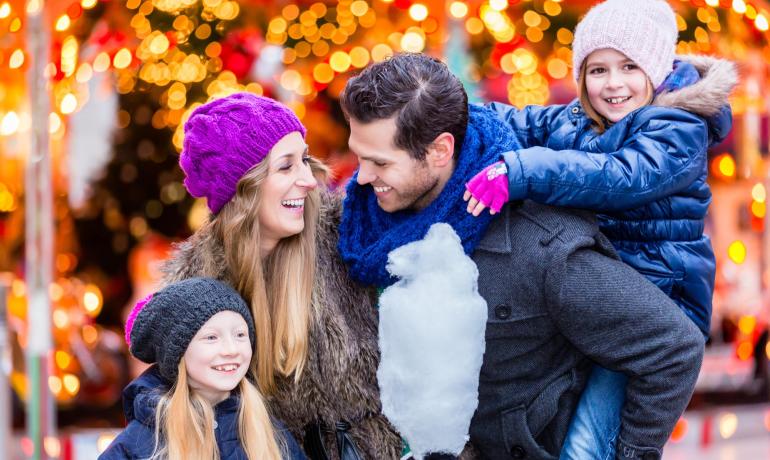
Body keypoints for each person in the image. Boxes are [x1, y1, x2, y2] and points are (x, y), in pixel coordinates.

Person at [337, 52, 704, 460]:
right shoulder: (356, 228)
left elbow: (675, 346)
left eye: (380, 162)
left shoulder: (544, 247)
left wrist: (631, 452)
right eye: (359, 156)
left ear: (440, 150)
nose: (362, 177)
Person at [462, 0, 736, 457]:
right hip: (594, 296)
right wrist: (452, 110)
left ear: (655, 69)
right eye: (598, 70)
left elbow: (620, 176)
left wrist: (522, 172)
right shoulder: (578, 119)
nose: (613, 84)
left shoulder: (677, 128)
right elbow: (521, 120)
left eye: (629, 67)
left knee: (589, 440)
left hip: (653, 298)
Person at [162, 93, 402, 459]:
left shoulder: (351, 233)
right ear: (245, 186)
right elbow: (175, 403)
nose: (308, 179)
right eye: (286, 166)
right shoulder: (198, 286)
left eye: (304, 160)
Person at [99, 277, 305, 459]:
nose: (231, 349)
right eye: (211, 337)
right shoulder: (141, 442)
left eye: (240, 335)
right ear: (178, 354)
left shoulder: (266, 429)